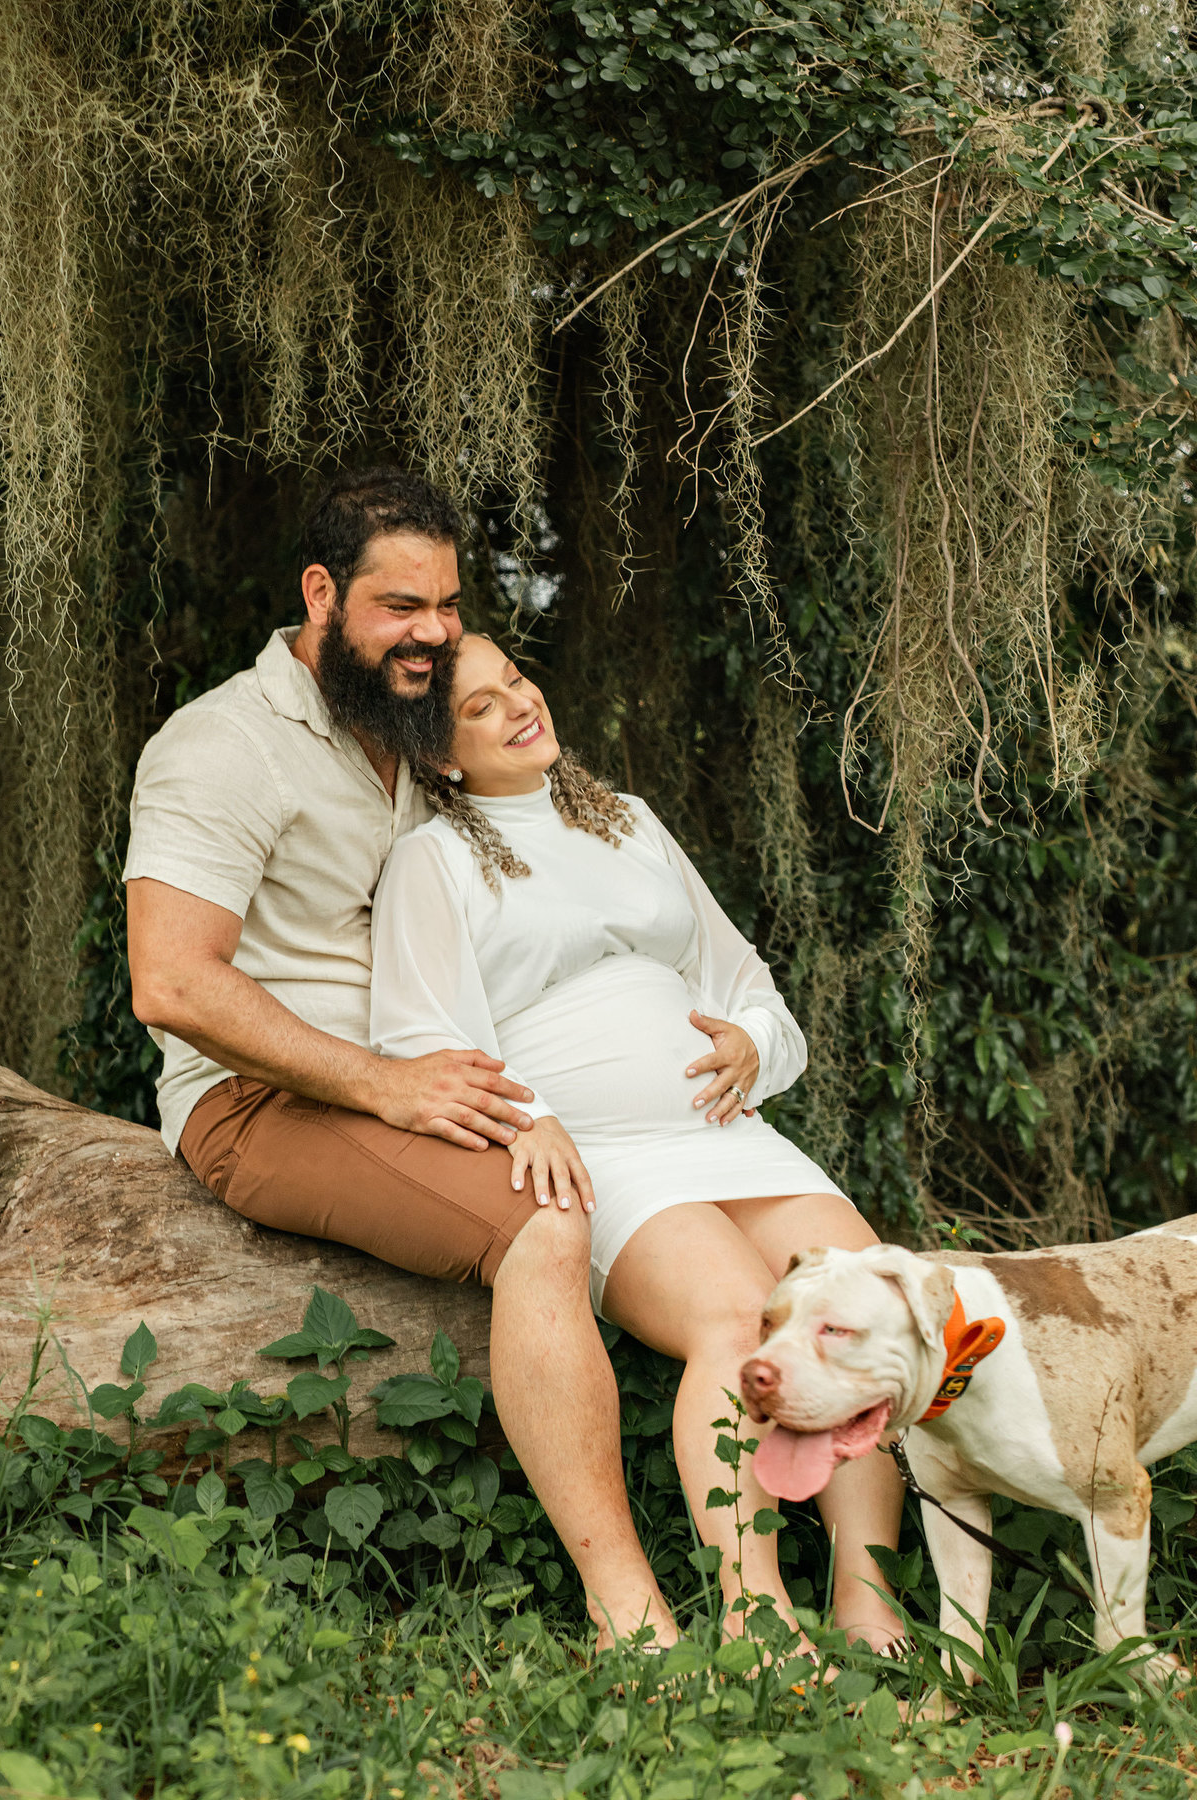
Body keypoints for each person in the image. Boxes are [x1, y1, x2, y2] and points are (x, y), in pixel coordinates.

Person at [123, 466, 679, 1652]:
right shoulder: (223, 746)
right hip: (261, 1101)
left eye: (449, 604)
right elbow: (170, 981)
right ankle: (630, 1616)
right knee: (544, 1225)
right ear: (321, 594)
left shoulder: (413, 736)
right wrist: (386, 1083)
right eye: (400, 606)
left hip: (421, 1077)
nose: (433, 632)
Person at [369, 631, 905, 1651]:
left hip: (726, 1130)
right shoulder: (430, 861)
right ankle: (757, 1620)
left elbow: (742, 978)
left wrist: (753, 1041)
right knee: (738, 1318)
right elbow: (420, 1035)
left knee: (867, 1304)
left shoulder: (630, 819)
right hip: (600, 1151)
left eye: (515, 679)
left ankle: (866, 1600)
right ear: (440, 756)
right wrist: (530, 1117)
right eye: (480, 707)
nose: (518, 704)